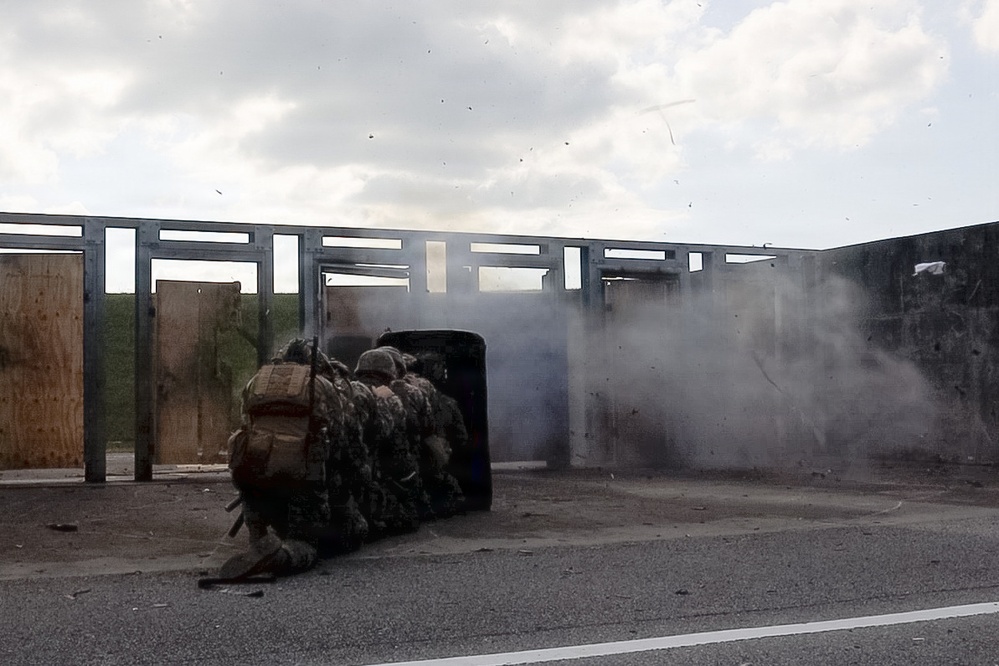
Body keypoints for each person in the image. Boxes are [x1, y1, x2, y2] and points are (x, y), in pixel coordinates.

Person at [221, 339, 366, 579]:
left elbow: (245, 427)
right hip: (302, 486)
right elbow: (343, 440)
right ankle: (282, 557)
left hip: (254, 487)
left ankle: (259, 538)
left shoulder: (256, 382)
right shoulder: (321, 385)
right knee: (326, 539)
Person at [353, 349, 421, 534]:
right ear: (390, 374)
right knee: (408, 519)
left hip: (348, 478)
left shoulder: (348, 389)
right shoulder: (390, 399)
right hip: (370, 479)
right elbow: (394, 444)